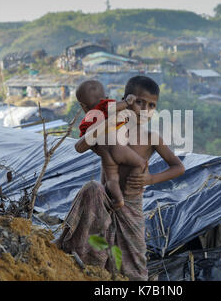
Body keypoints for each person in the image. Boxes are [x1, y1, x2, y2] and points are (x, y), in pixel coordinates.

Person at [57, 76, 185, 280]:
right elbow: (80, 146)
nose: (145, 109)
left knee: (134, 268)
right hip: (106, 200)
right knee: (92, 189)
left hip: (132, 206)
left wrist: (151, 179)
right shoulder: (110, 131)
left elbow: (178, 167)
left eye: (152, 105)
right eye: (140, 102)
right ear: (127, 100)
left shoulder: (151, 138)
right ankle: (76, 255)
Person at [75, 80, 147, 209]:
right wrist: (126, 102)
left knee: (111, 180)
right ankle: (134, 189)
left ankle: (117, 200)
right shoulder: (108, 106)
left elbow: (82, 144)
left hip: (105, 153)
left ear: (83, 106)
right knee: (141, 163)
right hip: (118, 148)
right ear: (106, 98)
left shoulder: (87, 121)